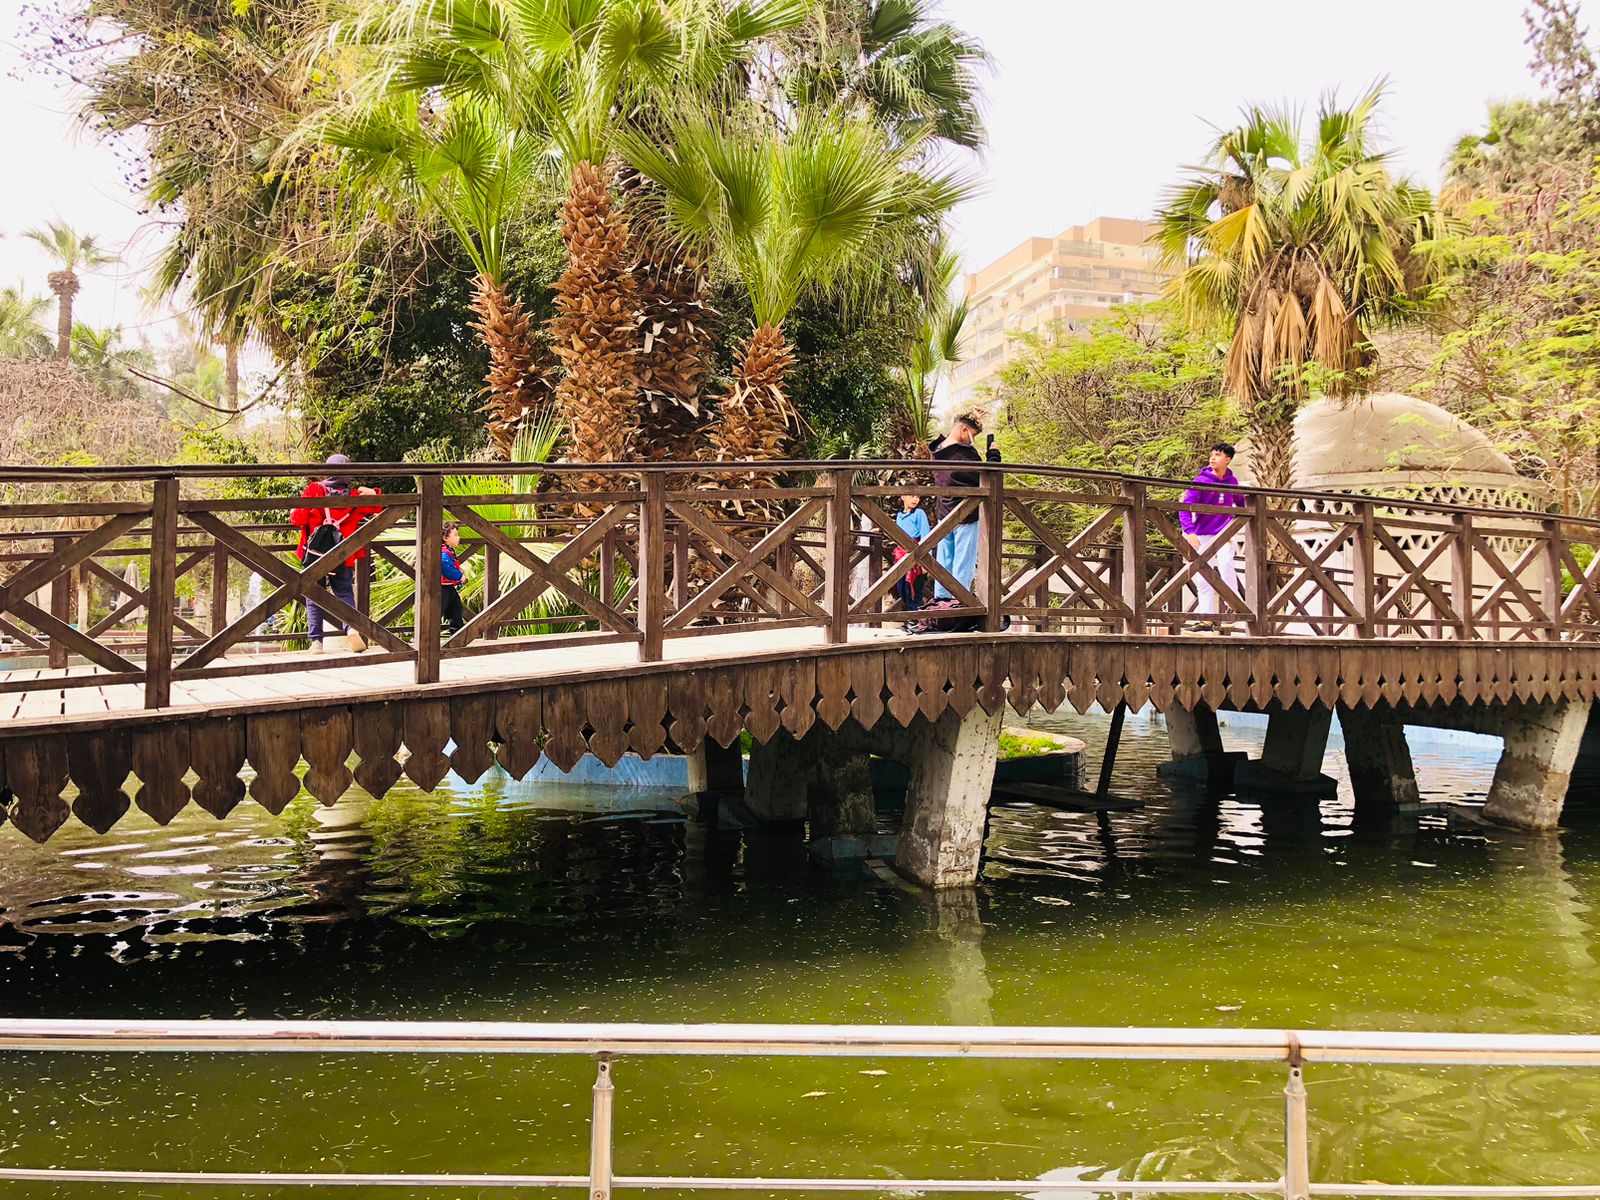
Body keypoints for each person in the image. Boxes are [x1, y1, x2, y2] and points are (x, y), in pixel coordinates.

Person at [290, 454, 383, 654]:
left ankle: (316, 641)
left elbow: (297, 519)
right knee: (344, 592)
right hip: (343, 555)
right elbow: (379, 506)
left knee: (314, 593)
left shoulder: (315, 490)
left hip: (315, 554)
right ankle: (351, 628)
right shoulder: (355, 497)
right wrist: (373, 491)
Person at [928, 413, 999, 603]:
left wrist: (972, 416)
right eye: (972, 436)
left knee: (945, 560)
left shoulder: (937, 451)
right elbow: (987, 477)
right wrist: (993, 456)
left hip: (944, 512)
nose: (972, 442)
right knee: (963, 562)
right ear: (964, 430)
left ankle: (941, 600)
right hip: (966, 514)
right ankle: (960, 601)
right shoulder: (965, 454)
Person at [1179, 441, 1247, 632]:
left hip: (1224, 533)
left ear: (1228, 459)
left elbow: (1242, 503)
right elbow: (1185, 507)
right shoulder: (1201, 481)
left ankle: (1234, 611)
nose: (1212, 457)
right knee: (1202, 576)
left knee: (1226, 564)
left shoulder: (1232, 482)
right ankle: (1206, 620)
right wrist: (1190, 531)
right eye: (1212, 454)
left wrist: (1235, 527)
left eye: (1217, 455)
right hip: (1203, 533)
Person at [892, 493, 930, 612]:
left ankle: (915, 620)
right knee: (902, 588)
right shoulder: (899, 515)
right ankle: (910, 619)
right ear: (903, 497)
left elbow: (926, 535)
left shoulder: (919, 514)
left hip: (916, 555)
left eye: (918, 497)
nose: (915, 499)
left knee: (915, 589)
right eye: (912, 496)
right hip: (901, 556)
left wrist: (925, 561)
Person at [440, 522, 467, 636]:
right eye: (455, 535)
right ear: (445, 538)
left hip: (448, 586)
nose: (458, 537)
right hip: (441, 588)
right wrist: (460, 576)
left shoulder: (448, 550)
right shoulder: (444, 553)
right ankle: (426, 634)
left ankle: (457, 631)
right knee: (439, 610)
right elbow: (445, 568)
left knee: (456, 607)